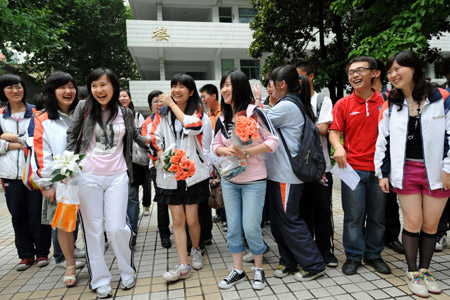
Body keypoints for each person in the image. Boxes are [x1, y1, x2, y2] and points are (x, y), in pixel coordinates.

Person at [66, 68, 150, 298]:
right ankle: (100, 278)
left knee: (116, 227)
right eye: (94, 85)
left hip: (118, 175)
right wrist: (66, 165)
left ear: (113, 86)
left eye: (103, 85)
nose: (99, 90)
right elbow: (72, 137)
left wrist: (149, 140)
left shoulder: (125, 112)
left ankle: (127, 270)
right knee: (93, 230)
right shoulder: (84, 108)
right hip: (87, 177)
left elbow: (134, 136)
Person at [375, 50, 450, 297]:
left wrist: (448, 168)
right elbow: (382, 142)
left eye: (398, 69)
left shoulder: (442, 97)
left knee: (431, 224)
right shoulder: (390, 103)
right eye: (390, 71)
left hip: (438, 173)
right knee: (413, 222)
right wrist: (382, 173)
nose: (393, 74)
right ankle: (412, 272)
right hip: (405, 170)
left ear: (414, 68)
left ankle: (426, 270)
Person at [212, 69, 279, 290]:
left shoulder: (255, 113)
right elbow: (214, 147)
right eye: (223, 85)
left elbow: (272, 142)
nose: (224, 89)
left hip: (254, 181)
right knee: (233, 227)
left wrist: (247, 152)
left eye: (228, 84)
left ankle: (259, 270)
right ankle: (238, 270)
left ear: (240, 86)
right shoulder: (222, 117)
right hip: (230, 180)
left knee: (251, 227)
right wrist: (225, 150)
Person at [329, 56, 390, 276]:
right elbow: (334, 130)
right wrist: (338, 147)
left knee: (377, 216)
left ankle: (373, 255)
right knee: (353, 216)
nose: (354, 75)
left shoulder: (386, 101)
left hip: (380, 170)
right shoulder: (343, 104)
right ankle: (354, 256)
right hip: (351, 168)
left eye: (360, 70)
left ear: (374, 73)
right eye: (351, 72)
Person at [264, 65, 326, 281]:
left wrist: (255, 101)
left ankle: (314, 263)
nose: (268, 88)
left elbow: (259, 123)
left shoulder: (287, 106)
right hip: (277, 174)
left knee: (289, 220)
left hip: (286, 176)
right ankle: (288, 261)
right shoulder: (290, 103)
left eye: (270, 83)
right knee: (279, 220)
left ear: (281, 84)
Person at [149, 74, 210, 282]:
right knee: (177, 220)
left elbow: (193, 127)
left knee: (192, 219)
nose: (176, 90)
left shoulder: (198, 111)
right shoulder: (162, 114)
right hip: (170, 174)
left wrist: (172, 105)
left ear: (191, 92)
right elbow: (153, 138)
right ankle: (183, 264)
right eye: (174, 86)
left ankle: (196, 249)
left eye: (182, 86)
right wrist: (161, 157)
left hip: (192, 174)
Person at [31, 71, 84, 287]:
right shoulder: (42, 119)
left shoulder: (86, 113)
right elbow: (40, 153)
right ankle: (69, 264)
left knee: (91, 222)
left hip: (90, 177)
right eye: (62, 87)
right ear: (52, 92)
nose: (68, 91)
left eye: (71, 86)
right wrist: (46, 184)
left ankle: (93, 259)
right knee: (64, 225)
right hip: (62, 181)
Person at [0, 74, 52, 271]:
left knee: (38, 214)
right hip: (10, 175)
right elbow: (25, 141)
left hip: (34, 173)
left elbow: (37, 140)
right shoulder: (0, 115)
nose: (15, 91)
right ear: (3, 91)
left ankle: (42, 253)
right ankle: (25, 255)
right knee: (17, 216)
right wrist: (20, 141)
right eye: (10, 87)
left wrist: (8, 140)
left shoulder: (36, 114)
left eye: (18, 87)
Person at [295, 60, 337, 267]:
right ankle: (308, 251)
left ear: (311, 77)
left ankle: (326, 250)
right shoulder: (292, 101)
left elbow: (323, 129)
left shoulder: (322, 100)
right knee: (302, 212)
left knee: (322, 211)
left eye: (301, 76)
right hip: (298, 169)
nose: (298, 82)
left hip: (322, 168)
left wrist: (299, 124)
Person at [371, 59, 405, 255]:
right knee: (369, 205)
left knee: (390, 200)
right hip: (365, 158)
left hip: (387, 158)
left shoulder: (390, 96)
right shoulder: (358, 96)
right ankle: (371, 237)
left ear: (375, 73)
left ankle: (391, 237)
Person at [141, 90, 172, 248]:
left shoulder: (170, 117)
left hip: (175, 165)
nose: (159, 104)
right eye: (155, 101)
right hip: (157, 166)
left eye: (161, 100)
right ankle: (164, 233)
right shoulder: (147, 122)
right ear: (151, 106)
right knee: (162, 201)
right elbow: (147, 143)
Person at [119, 88, 147, 246]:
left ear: (130, 98)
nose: (122, 98)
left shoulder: (135, 116)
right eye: (119, 96)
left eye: (124, 96)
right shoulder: (110, 116)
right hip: (115, 164)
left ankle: (133, 231)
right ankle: (122, 230)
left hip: (133, 163)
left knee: (132, 198)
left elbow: (139, 136)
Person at [200, 84, 226, 233]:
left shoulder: (224, 112)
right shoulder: (206, 115)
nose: (203, 100)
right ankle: (219, 213)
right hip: (211, 156)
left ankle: (226, 218)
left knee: (224, 186)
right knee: (215, 186)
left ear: (214, 96)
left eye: (204, 96)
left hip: (223, 155)